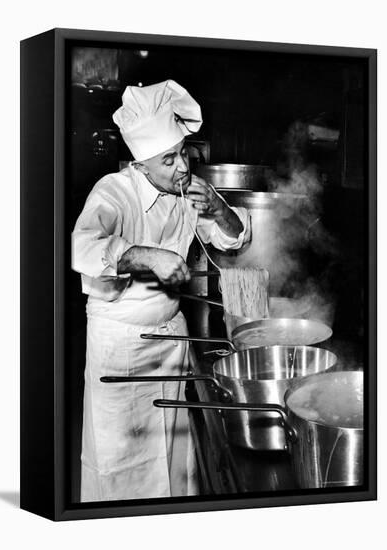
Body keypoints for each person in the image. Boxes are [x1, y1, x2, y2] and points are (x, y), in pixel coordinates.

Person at [72, 79, 251, 502]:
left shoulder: (187, 189)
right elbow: (82, 246)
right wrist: (147, 256)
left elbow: (234, 239)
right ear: (141, 165)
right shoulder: (114, 192)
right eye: (168, 160)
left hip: (170, 340)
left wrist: (220, 210)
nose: (183, 167)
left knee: (173, 457)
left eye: (183, 153)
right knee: (121, 462)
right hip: (123, 345)